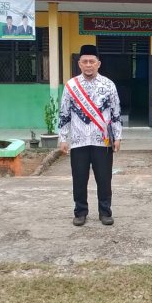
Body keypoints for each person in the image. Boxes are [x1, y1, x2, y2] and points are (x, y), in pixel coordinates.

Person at [59, 44, 122, 226]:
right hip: (78, 141)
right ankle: (80, 212)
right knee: (79, 179)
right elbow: (64, 114)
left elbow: (116, 113)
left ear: (98, 64)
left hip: (102, 140)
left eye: (91, 61)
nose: (88, 65)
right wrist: (63, 138)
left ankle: (105, 212)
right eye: (85, 61)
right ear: (79, 63)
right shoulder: (71, 86)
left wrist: (118, 136)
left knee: (104, 179)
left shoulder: (108, 85)